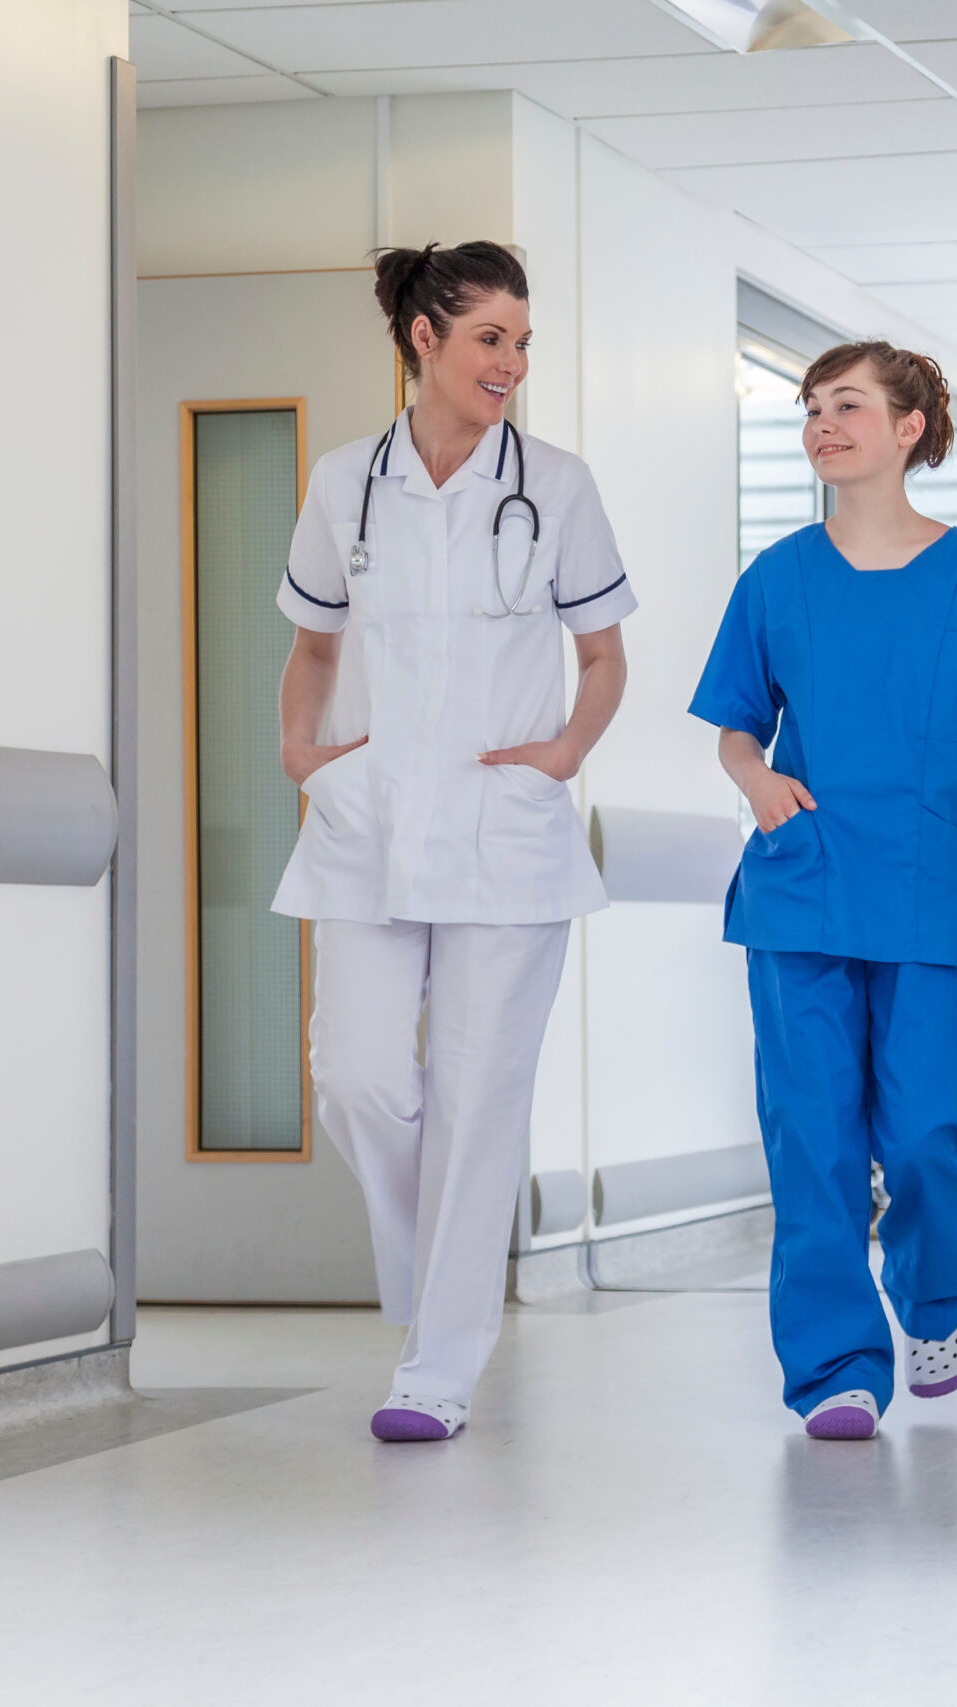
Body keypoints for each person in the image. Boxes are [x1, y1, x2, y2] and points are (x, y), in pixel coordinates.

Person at [690, 340, 957, 1441]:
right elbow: (732, 722)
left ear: (909, 428)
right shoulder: (775, 578)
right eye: (811, 408)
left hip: (924, 892)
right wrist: (755, 775)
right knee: (812, 1138)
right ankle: (834, 1369)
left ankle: (933, 1300)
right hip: (802, 890)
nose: (821, 424)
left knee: (925, 1131)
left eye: (847, 406)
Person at [272, 241, 636, 1444]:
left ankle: (435, 1367)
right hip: (369, 820)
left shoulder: (560, 484)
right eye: (491, 338)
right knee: (361, 1078)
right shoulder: (344, 481)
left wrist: (568, 752)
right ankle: (437, 1280)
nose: (512, 363)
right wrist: (298, 751)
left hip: (506, 829)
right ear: (423, 338)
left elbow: (602, 652)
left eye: (523, 342)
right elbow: (315, 640)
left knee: (481, 1101)